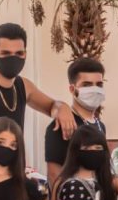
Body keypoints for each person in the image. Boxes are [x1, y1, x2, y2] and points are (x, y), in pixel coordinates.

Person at [0, 23, 76, 186]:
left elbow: (52, 106)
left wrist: (63, 108)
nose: (13, 58)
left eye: (19, 53)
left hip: (14, 184)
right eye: (5, 53)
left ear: (25, 54)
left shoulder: (23, 86)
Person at [45, 57, 107, 188]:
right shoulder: (60, 126)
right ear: (72, 89)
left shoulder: (100, 126)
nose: (95, 89)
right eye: (87, 85)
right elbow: (54, 175)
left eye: (99, 84)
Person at [52, 124, 118, 200]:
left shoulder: (110, 180)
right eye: (86, 148)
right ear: (76, 151)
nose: (93, 151)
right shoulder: (62, 182)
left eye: (98, 148)